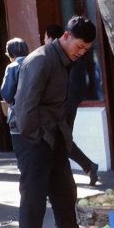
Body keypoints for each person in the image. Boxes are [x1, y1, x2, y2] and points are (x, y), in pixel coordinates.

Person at [11, 16, 96, 228]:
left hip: (55, 132)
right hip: (32, 134)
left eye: (86, 49)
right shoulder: (40, 60)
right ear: (66, 36)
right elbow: (25, 105)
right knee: (34, 194)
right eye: (79, 47)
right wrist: (36, 138)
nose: (81, 52)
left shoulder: (67, 61)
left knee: (65, 190)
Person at [44, 23, 99, 186]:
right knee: (63, 140)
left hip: (65, 105)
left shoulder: (67, 57)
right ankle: (88, 166)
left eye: (45, 37)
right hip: (67, 104)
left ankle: (87, 167)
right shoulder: (57, 57)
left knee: (62, 140)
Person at [0, 37, 29, 133]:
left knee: (21, 146)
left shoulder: (12, 67)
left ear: (11, 54)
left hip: (19, 116)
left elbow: (7, 95)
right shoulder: (36, 62)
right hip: (40, 114)